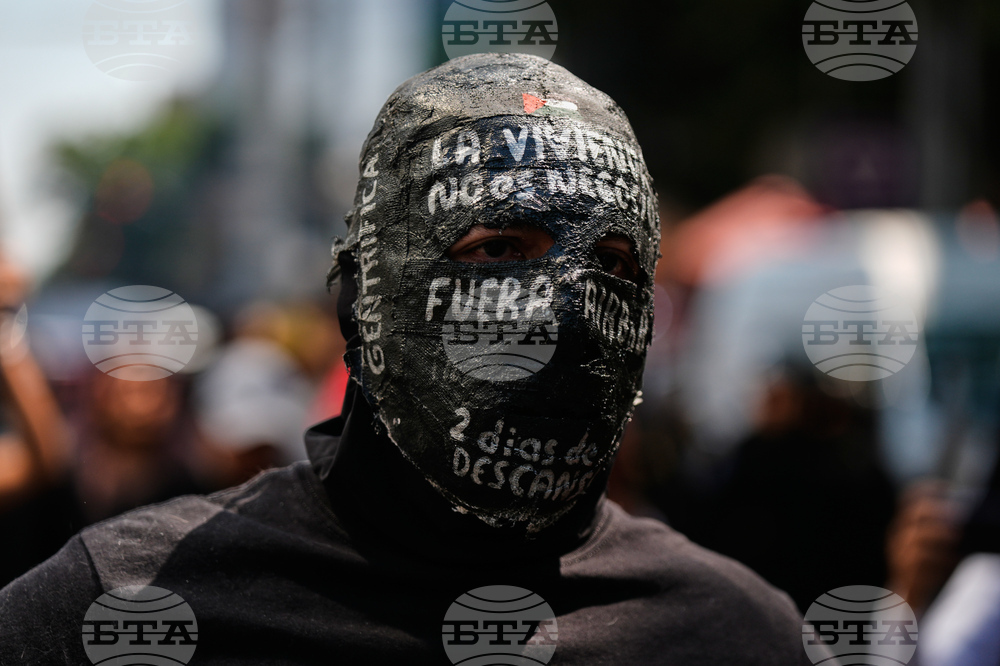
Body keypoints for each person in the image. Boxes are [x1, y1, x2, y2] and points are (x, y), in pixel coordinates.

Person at [0, 54, 812, 664]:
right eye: (498, 250)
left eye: (613, 264)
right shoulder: (123, 608)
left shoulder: (736, 634)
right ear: (360, 297)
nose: (567, 311)